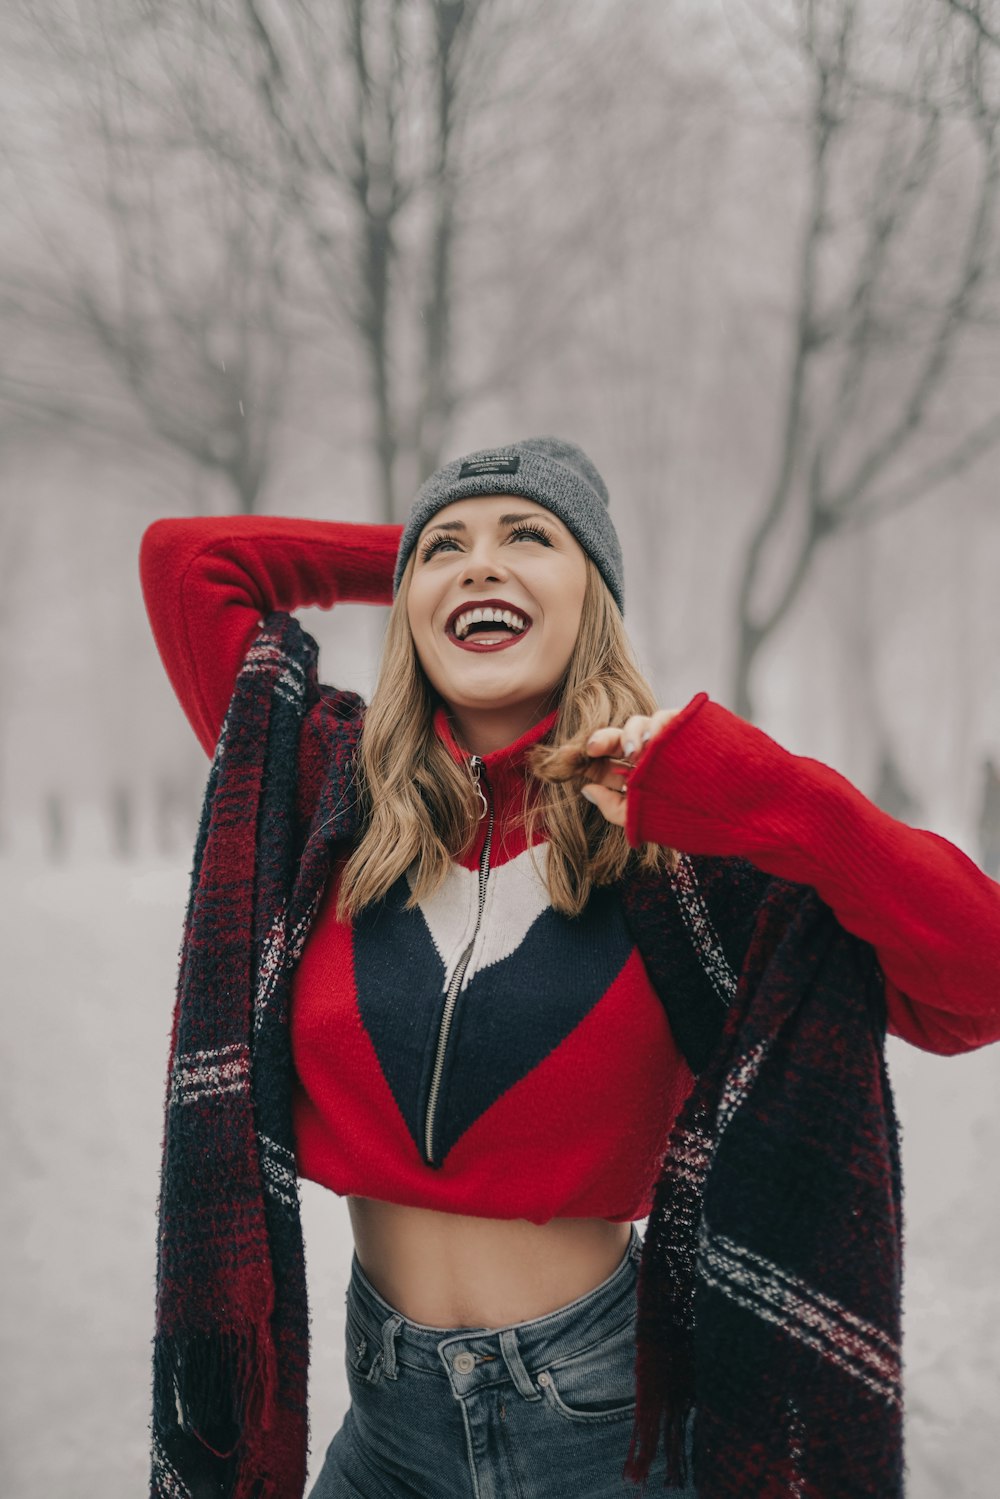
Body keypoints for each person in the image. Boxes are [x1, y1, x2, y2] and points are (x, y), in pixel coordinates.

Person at [140, 437, 1000, 1499]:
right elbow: (192, 562)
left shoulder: (686, 840)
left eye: (529, 539)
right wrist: (422, 555)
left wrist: (760, 796)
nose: (479, 564)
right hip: (385, 1432)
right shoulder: (327, 794)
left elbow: (977, 979)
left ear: (595, 599)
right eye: (448, 550)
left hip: (603, 1431)